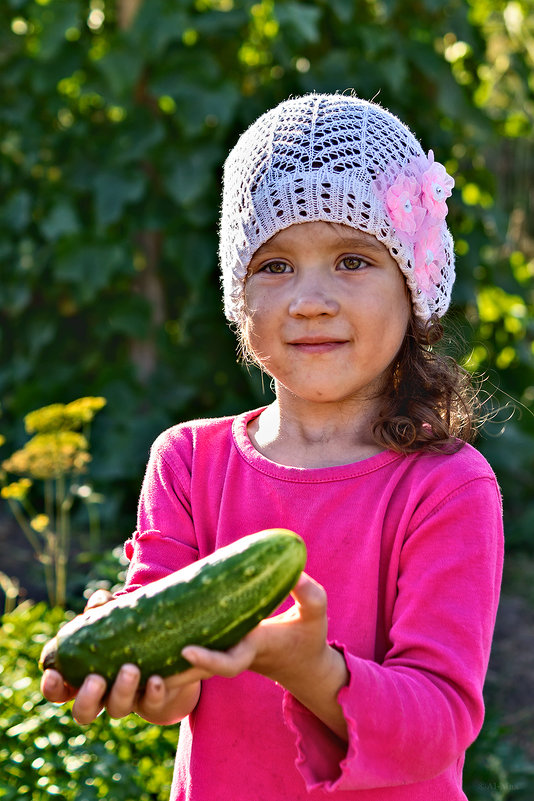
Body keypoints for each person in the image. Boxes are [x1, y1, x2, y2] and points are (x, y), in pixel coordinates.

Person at [42, 93, 504, 800]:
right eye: (276, 265)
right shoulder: (188, 463)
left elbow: (440, 723)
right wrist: (135, 676)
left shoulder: (447, 486)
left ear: (412, 289)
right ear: (238, 295)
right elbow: (172, 696)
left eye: (352, 259)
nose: (310, 299)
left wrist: (310, 665)